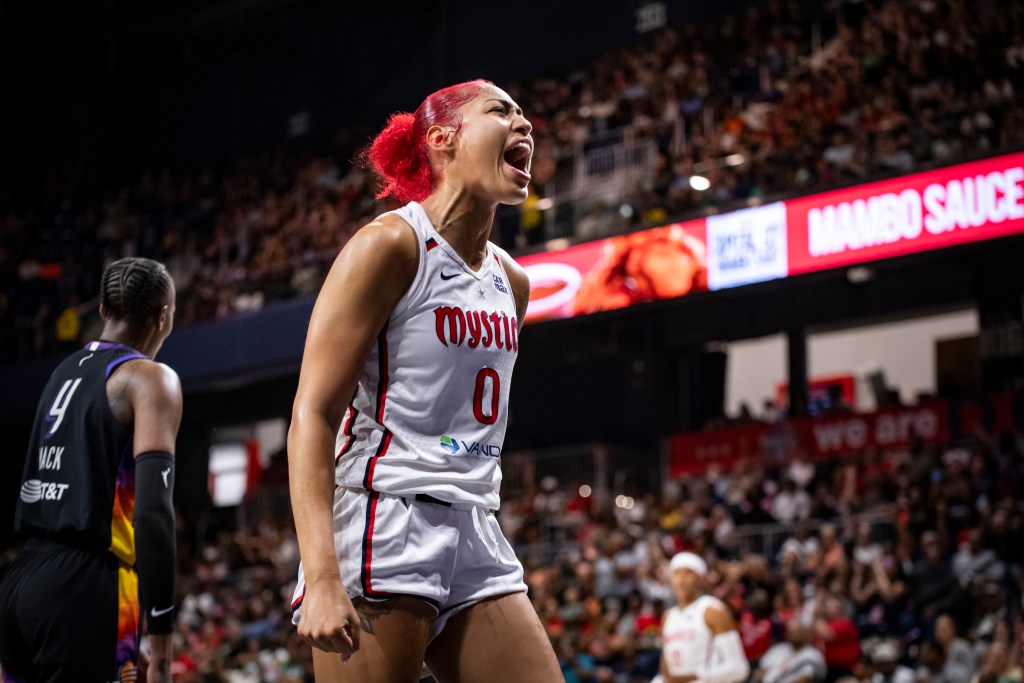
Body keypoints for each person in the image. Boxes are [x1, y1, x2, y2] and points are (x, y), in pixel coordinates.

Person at [286, 79, 562, 682]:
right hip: (382, 516)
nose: (524, 125)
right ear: (442, 139)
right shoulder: (390, 244)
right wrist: (323, 574)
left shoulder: (511, 281)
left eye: (524, 115)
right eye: (501, 112)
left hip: (473, 521)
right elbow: (313, 412)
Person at [0, 257, 181, 682]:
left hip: (19, 583)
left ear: (101, 310)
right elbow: (153, 516)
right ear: (164, 316)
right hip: (86, 588)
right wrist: (163, 647)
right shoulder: (149, 379)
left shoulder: (61, 372)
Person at [659, 552, 750, 683]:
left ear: (701, 579)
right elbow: (667, 671)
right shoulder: (668, 616)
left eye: (688, 573)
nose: (681, 579)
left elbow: (739, 669)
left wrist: (694, 676)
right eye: (677, 573)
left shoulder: (712, 610)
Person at [755, 620, 827, 683]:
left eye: (797, 632)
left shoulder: (812, 654)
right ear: (786, 634)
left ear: (805, 634)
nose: (794, 635)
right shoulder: (777, 649)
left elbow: (806, 679)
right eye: (791, 632)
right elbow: (761, 670)